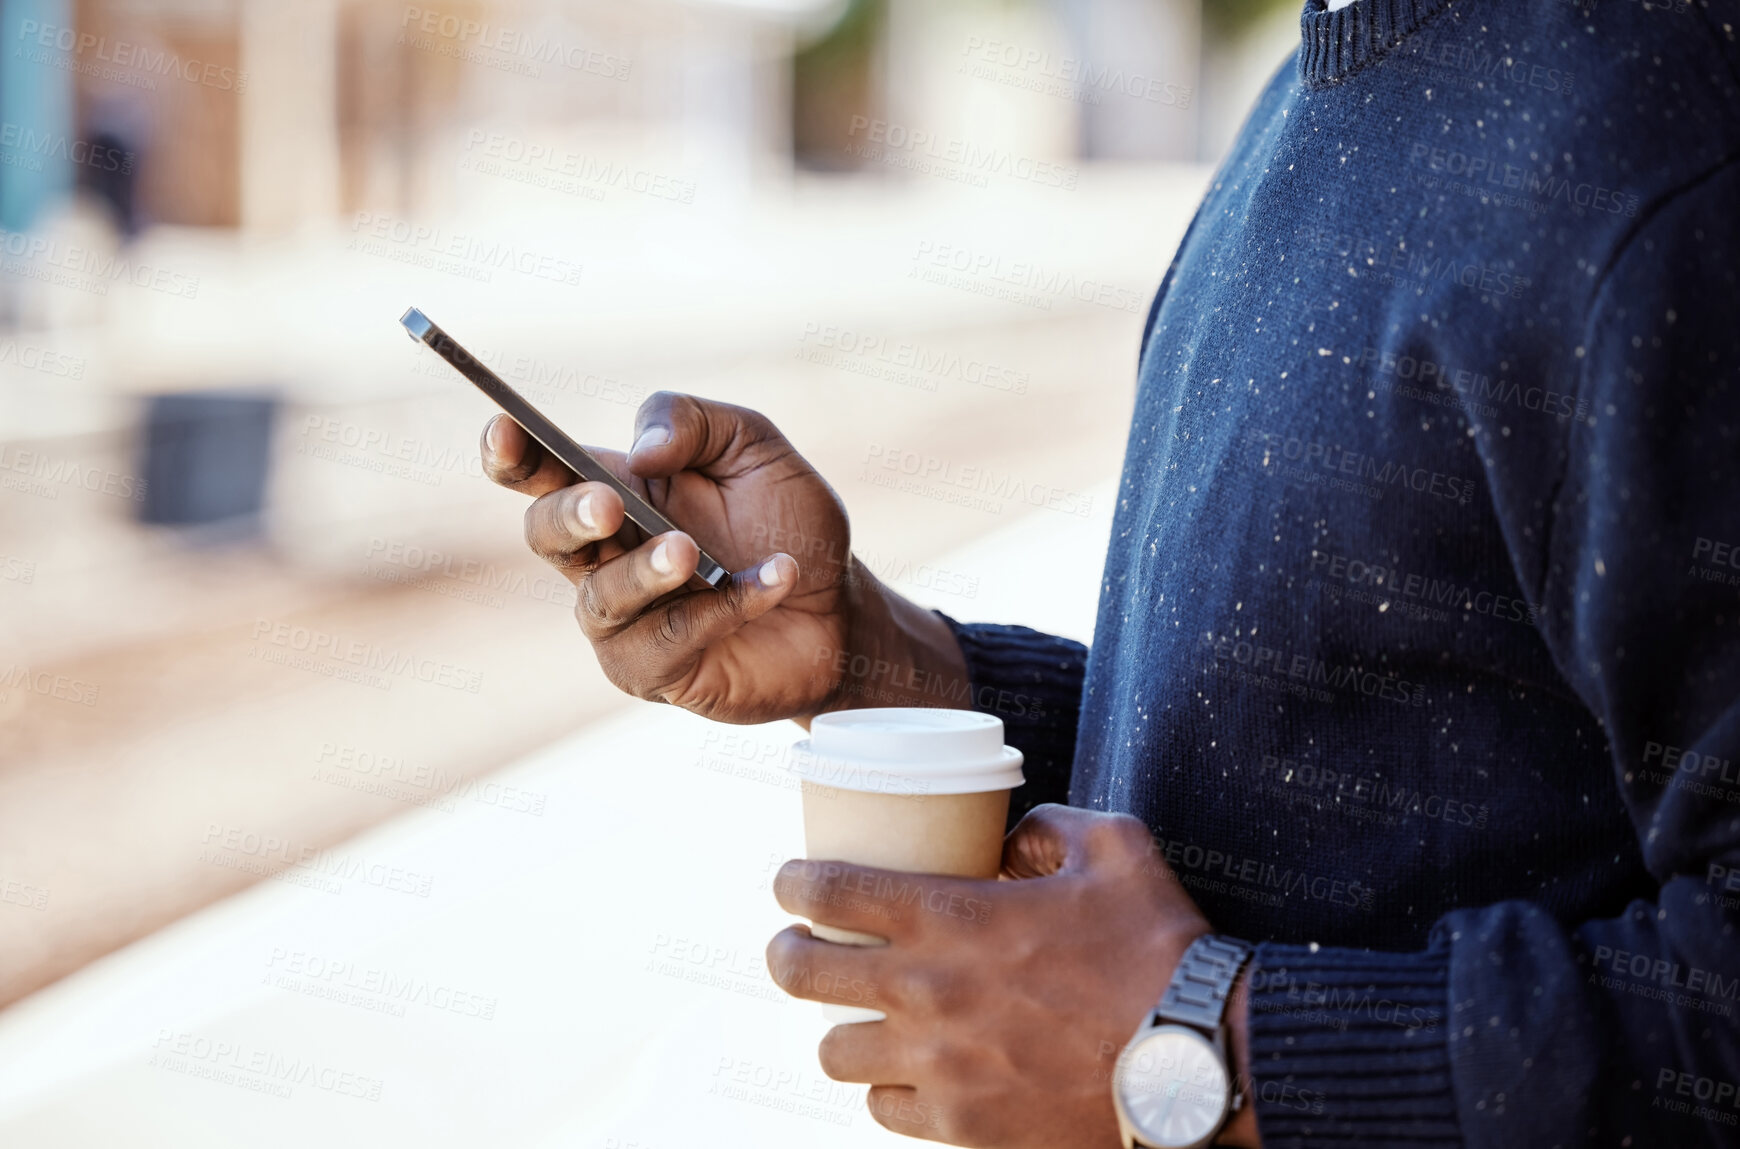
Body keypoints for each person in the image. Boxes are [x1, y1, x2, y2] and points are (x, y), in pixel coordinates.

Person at [479, 0, 1740, 1144]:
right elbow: (1366, 764)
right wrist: (871, 656)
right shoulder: (1324, 84)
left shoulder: (1657, 142)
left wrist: (1203, 1044)